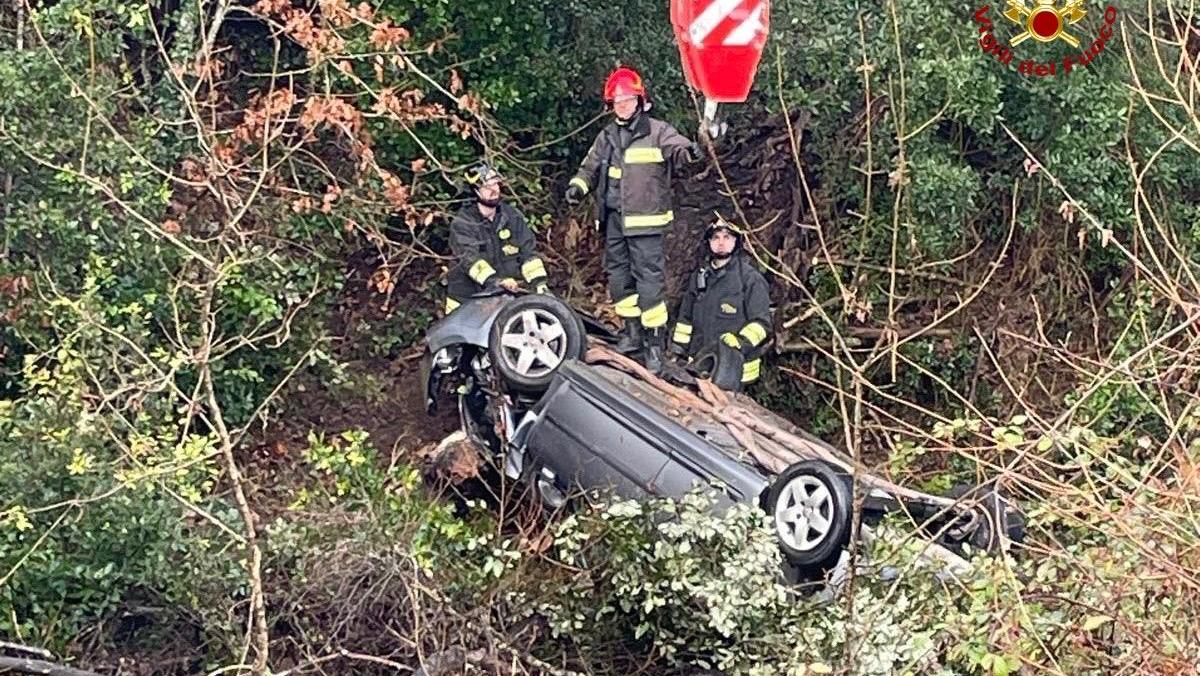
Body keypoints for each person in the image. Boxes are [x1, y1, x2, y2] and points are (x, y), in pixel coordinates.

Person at [564, 65, 701, 374]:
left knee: (650, 285)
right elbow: (590, 166)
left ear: (640, 101)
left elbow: (679, 150)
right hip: (614, 221)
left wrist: (693, 151)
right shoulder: (607, 136)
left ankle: (655, 345)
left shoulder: (657, 131)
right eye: (617, 101)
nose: (622, 105)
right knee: (619, 280)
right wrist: (578, 186)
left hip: (646, 223)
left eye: (627, 100)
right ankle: (632, 333)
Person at [670, 217, 772, 390]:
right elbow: (685, 319)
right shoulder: (700, 278)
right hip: (698, 367)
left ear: (736, 242)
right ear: (709, 242)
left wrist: (740, 341)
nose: (721, 243)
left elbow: (762, 324)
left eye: (727, 238)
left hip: (735, 373)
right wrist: (677, 351)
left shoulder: (750, 280)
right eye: (716, 238)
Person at [445, 163, 549, 314]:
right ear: (475, 191)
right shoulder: (463, 223)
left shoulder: (512, 216)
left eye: (496, 184)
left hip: (504, 300)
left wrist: (540, 285)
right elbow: (470, 261)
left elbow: (528, 254)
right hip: (468, 303)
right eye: (487, 186)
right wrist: (496, 282)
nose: (495, 190)